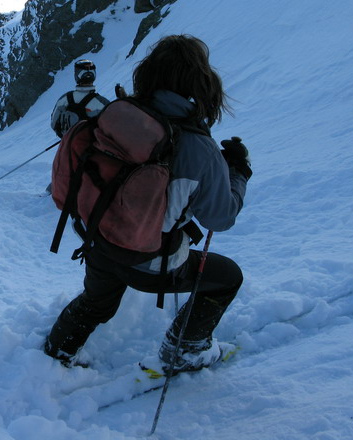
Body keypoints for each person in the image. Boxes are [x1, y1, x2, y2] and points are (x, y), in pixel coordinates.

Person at [43, 34, 251, 373]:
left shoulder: (118, 116)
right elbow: (220, 217)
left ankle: (54, 354)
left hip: (97, 237)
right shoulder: (198, 148)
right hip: (149, 259)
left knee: (96, 302)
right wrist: (237, 173)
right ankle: (185, 350)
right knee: (227, 277)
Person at [50, 59, 110, 137]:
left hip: (68, 143)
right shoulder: (102, 102)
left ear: (77, 75)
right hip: (92, 143)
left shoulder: (64, 99)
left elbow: (54, 123)